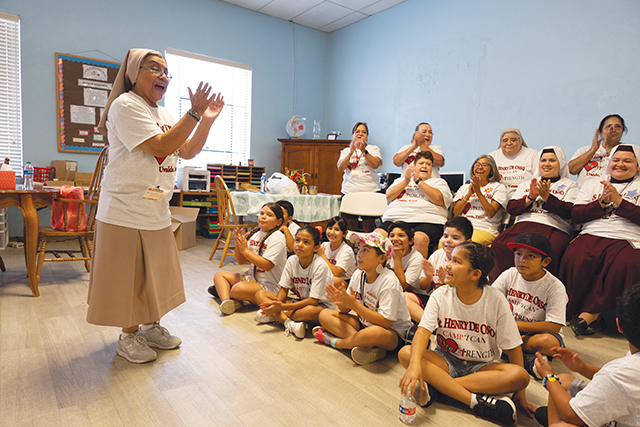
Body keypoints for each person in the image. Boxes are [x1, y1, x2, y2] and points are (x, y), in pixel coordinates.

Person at [87, 49, 224, 364]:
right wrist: (192, 114)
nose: (163, 76)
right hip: (124, 210)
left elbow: (186, 149)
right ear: (135, 73)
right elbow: (161, 146)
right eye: (155, 68)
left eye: (166, 71)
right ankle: (128, 335)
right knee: (128, 279)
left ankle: (151, 327)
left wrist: (205, 119)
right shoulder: (125, 106)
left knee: (154, 276)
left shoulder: (161, 113)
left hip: (156, 210)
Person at [398, 242, 533, 425]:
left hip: (480, 367)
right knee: (406, 353)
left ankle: (439, 387)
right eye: (450, 259)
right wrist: (414, 366)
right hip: (445, 359)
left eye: (456, 261)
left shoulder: (495, 299)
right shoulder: (441, 294)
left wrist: (520, 395)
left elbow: (513, 347)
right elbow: (422, 332)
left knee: (520, 376)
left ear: (475, 274)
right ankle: (473, 401)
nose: (448, 265)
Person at [559, 144, 640, 336]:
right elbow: (577, 215)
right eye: (616, 160)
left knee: (626, 264)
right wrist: (601, 203)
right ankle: (581, 311)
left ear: (638, 166)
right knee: (575, 256)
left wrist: (620, 203)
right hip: (593, 232)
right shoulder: (593, 183)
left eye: (628, 161)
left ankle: (591, 315)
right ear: (609, 162)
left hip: (629, 236)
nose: (620, 164)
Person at [533, 283, 640, 427]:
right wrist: (582, 368)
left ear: (619, 325)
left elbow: (571, 415)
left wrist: (548, 376)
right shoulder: (626, 369)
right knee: (563, 380)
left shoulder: (619, 373)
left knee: (560, 421)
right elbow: (621, 383)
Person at [313, 231, 413, 365]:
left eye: (365, 250)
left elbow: (385, 323)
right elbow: (344, 310)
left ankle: (339, 343)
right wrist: (341, 301)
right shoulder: (358, 274)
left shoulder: (389, 281)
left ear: (382, 258)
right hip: (365, 324)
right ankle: (368, 347)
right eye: (359, 249)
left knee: (374, 333)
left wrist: (354, 305)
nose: (358, 255)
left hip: (392, 333)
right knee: (324, 314)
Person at [491, 147, 579, 277]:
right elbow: (512, 208)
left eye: (552, 160)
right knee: (499, 244)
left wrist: (548, 198)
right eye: (543, 160)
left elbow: (570, 212)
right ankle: (503, 285)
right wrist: (530, 197)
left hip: (554, 227)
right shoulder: (527, 184)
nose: (547, 164)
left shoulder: (570, 185)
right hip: (523, 224)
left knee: (550, 250)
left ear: (560, 163)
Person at [492, 233, 568, 379]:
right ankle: (530, 362)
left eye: (531, 256)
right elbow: (489, 301)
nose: (522, 260)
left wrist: (514, 326)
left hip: (534, 334)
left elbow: (554, 326)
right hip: (507, 330)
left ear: (545, 262)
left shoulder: (555, 286)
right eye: (518, 254)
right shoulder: (509, 274)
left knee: (549, 344)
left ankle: (505, 350)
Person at [254, 226, 334, 339]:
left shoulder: (320, 265)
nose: (299, 244)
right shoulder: (292, 260)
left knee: (309, 311)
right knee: (260, 294)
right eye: (297, 240)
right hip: (300, 302)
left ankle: (274, 316)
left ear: (316, 247)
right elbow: (283, 289)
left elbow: (313, 301)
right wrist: (277, 303)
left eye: (306, 242)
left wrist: (280, 308)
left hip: (320, 307)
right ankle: (288, 323)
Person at [208, 203, 287, 315]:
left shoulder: (278, 237)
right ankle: (228, 301)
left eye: (269, 215)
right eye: (261, 213)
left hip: (270, 287)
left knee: (237, 289)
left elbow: (267, 265)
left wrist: (245, 250)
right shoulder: (256, 234)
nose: (263, 216)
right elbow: (241, 261)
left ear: (278, 222)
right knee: (219, 275)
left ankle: (228, 293)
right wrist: (238, 245)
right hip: (253, 280)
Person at [381, 151, 452, 257]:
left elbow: (438, 198)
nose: (425, 166)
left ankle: (414, 273)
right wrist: (406, 181)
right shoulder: (400, 181)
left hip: (427, 222)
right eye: (421, 163)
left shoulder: (438, 182)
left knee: (418, 239)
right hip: (395, 220)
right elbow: (389, 196)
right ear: (414, 165)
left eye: (428, 164)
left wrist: (419, 181)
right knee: (377, 236)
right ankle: (381, 271)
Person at [415, 217, 474, 321]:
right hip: (434, 300)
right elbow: (423, 287)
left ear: (468, 242)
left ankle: (431, 323)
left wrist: (448, 283)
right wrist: (428, 277)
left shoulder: (471, 260)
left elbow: (470, 294)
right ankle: (432, 324)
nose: (448, 241)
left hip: (455, 304)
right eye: (445, 236)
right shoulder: (437, 254)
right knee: (406, 298)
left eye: (455, 238)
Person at [337, 122, 383, 232]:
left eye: (364, 132)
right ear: (353, 135)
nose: (360, 134)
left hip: (370, 192)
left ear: (367, 136)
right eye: (357, 131)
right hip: (350, 191)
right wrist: (350, 153)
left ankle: (367, 248)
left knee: (368, 226)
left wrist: (364, 151)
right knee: (350, 226)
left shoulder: (373, 149)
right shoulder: (346, 151)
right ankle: (350, 248)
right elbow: (340, 167)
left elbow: (375, 164)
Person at [452, 155, 508, 245]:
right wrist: (468, 195)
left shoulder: (498, 187)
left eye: (485, 165)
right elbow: (456, 212)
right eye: (477, 164)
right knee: (442, 243)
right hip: (463, 227)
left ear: (491, 170)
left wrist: (478, 192)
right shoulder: (465, 187)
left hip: (485, 228)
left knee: (464, 245)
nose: (480, 167)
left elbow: (491, 213)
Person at [382, 222, 426, 323]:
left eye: (401, 235)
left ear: (411, 241)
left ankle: (430, 326)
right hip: (393, 290)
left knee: (402, 296)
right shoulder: (386, 253)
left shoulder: (416, 257)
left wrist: (397, 259)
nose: (395, 239)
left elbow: (403, 286)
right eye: (392, 235)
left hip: (415, 295)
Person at [568, 114, 627, 188]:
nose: (613, 129)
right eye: (608, 126)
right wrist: (593, 150)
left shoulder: (628, 150)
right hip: (582, 195)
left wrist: (609, 148)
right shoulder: (585, 150)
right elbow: (572, 170)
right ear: (600, 133)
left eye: (618, 126)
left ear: (623, 130)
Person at [488, 128, 538, 198]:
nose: (509, 143)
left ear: (520, 142)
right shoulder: (492, 156)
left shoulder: (533, 154)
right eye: (505, 140)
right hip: (498, 198)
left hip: (525, 198)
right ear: (500, 142)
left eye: (513, 140)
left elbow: (538, 177)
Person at [317, 216, 356, 290]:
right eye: (330, 228)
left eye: (337, 229)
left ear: (345, 233)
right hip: (326, 277)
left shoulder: (346, 250)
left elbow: (336, 273)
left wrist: (322, 255)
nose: (332, 232)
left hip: (343, 281)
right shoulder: (324, 245)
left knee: (333, 280)